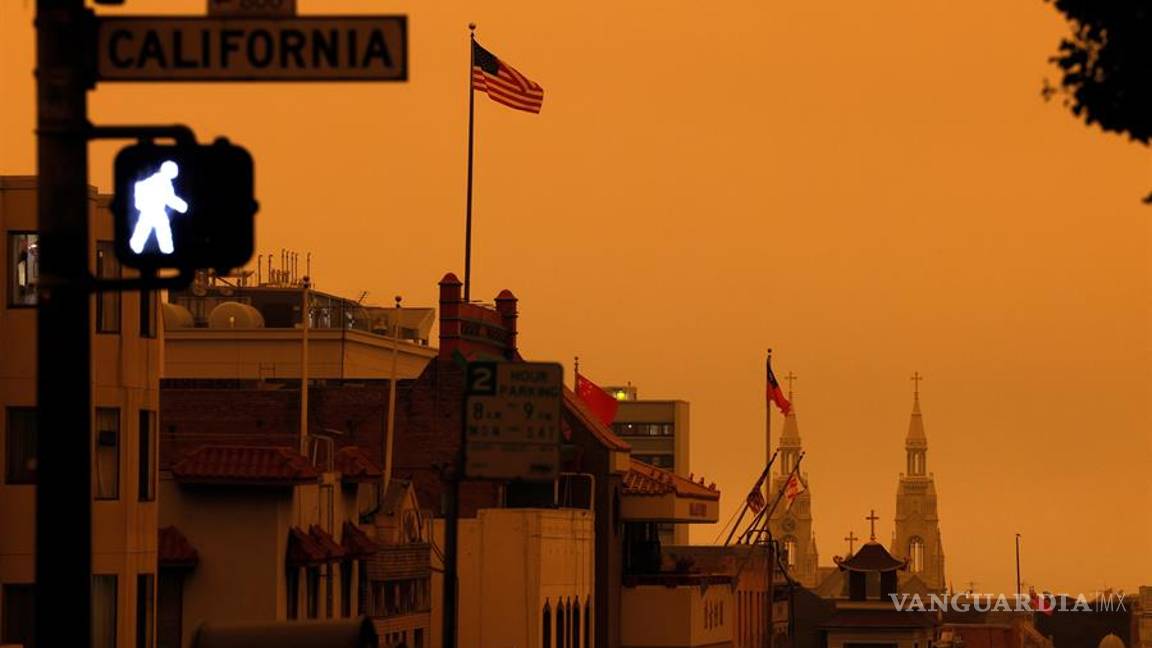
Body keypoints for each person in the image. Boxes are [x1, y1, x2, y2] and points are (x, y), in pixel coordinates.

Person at [129, 160, 187, 254]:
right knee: (161, 229)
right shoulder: (163, 181)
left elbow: (140, 186)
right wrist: (182, 206)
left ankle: (136, 245)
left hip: (149, 210)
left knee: (144, 228)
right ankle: (166, 249)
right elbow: (169, 198)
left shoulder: (154, 179)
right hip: (155, 210)